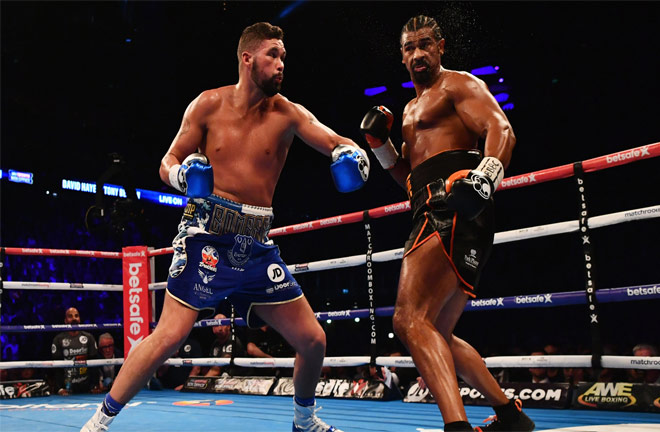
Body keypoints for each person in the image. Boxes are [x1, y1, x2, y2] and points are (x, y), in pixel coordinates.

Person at [82, 21, 368, 432]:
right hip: (206, 237)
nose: (281, 63)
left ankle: (304, 422)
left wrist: (352, 153)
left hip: (255, 246)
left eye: (284, 56)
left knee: (313, 340)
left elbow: (334, 141)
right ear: (247, 59)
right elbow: (168, 161)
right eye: (273, 54)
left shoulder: (289, 113)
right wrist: (182, 177)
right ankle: (99, 422)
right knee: (168, 337)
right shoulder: (207, 105)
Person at [359, 15, 533, 431]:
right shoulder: (407, 110)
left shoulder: (458, 84)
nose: (417, 53)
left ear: (440, 47)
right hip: (429, 204)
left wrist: (485, 178)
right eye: (409, 47)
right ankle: (509, 414)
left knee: (407, 319)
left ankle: (456, 427)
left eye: (424, 44)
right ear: (401, 57)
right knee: (436, 330)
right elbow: (407, 178)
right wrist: (379, 145)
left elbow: (500, 127)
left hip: (454, 199)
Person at [52, 307, 101, 396]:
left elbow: (94, 363)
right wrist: (60, 388)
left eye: (76, 316)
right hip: (67, 386)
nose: (74, 318)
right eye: (70, 316)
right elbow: (57, 367)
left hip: (86, 385)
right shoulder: (59, 339)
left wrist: (94, 385)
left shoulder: (88, 337)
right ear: (65, 320)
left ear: (79, 319)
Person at [204, 313, 246, 377]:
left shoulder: (233, 341)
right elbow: (212, 366)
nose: (220, 329)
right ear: (213, 329)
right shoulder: (215, 343)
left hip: (237, 379)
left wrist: (203, 381)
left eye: (223, 325)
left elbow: (216, 370)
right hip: (222, 379)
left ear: (228, 327)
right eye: (216, 325)